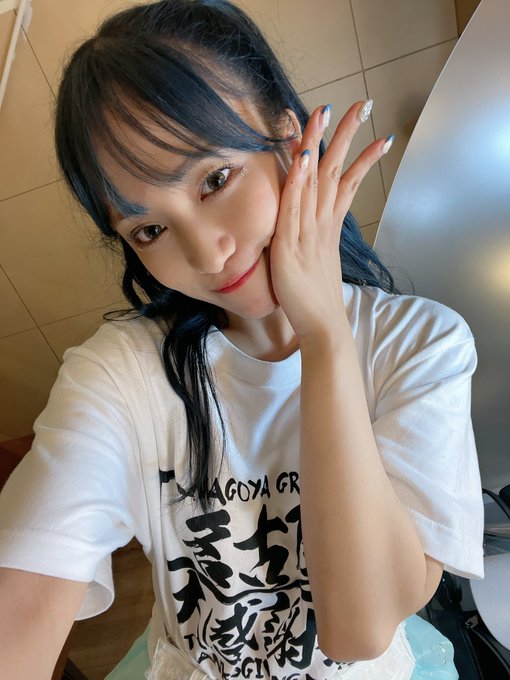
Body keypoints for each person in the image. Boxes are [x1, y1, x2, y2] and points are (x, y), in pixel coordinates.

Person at [0, 1, 485, 678]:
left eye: (215, 179)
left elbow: (360, 629)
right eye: (149, 230)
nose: (205, 253)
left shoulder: (420, 346)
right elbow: (20, 606)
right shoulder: (117, 376)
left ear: (289, 140)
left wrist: (324, 336)